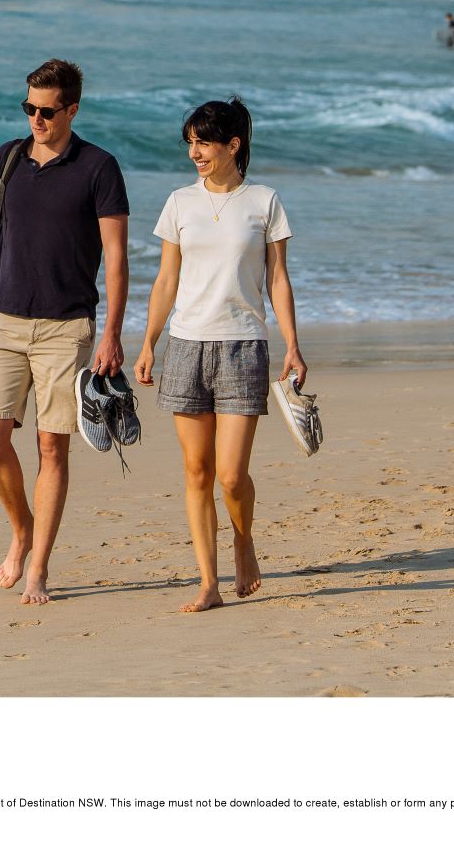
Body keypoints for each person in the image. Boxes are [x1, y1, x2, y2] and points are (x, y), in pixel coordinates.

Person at [0, 58, 131, 606]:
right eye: (29, 108)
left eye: (47, 111)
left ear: (72, 109)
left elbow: (115, 258)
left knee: (53, 447)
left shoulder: (100, 167)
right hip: (1, 319)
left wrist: (112, 333)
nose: (36, 120)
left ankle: (39, 567)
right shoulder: (6, 158)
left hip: (66, 329)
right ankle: (20, 527)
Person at [134, 98, 305, 613]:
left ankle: (243, 540)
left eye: (204, 142)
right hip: (186, 346)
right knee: (196, 471)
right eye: (190, 142)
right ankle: (208, 582)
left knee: (231, 474)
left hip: (242, 346)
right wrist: (148, 341)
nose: (195, 152)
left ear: (233, 145)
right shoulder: (179, 202)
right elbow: (166, 279)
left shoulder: (265, 201)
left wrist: (293, 344)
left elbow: (278, 278)